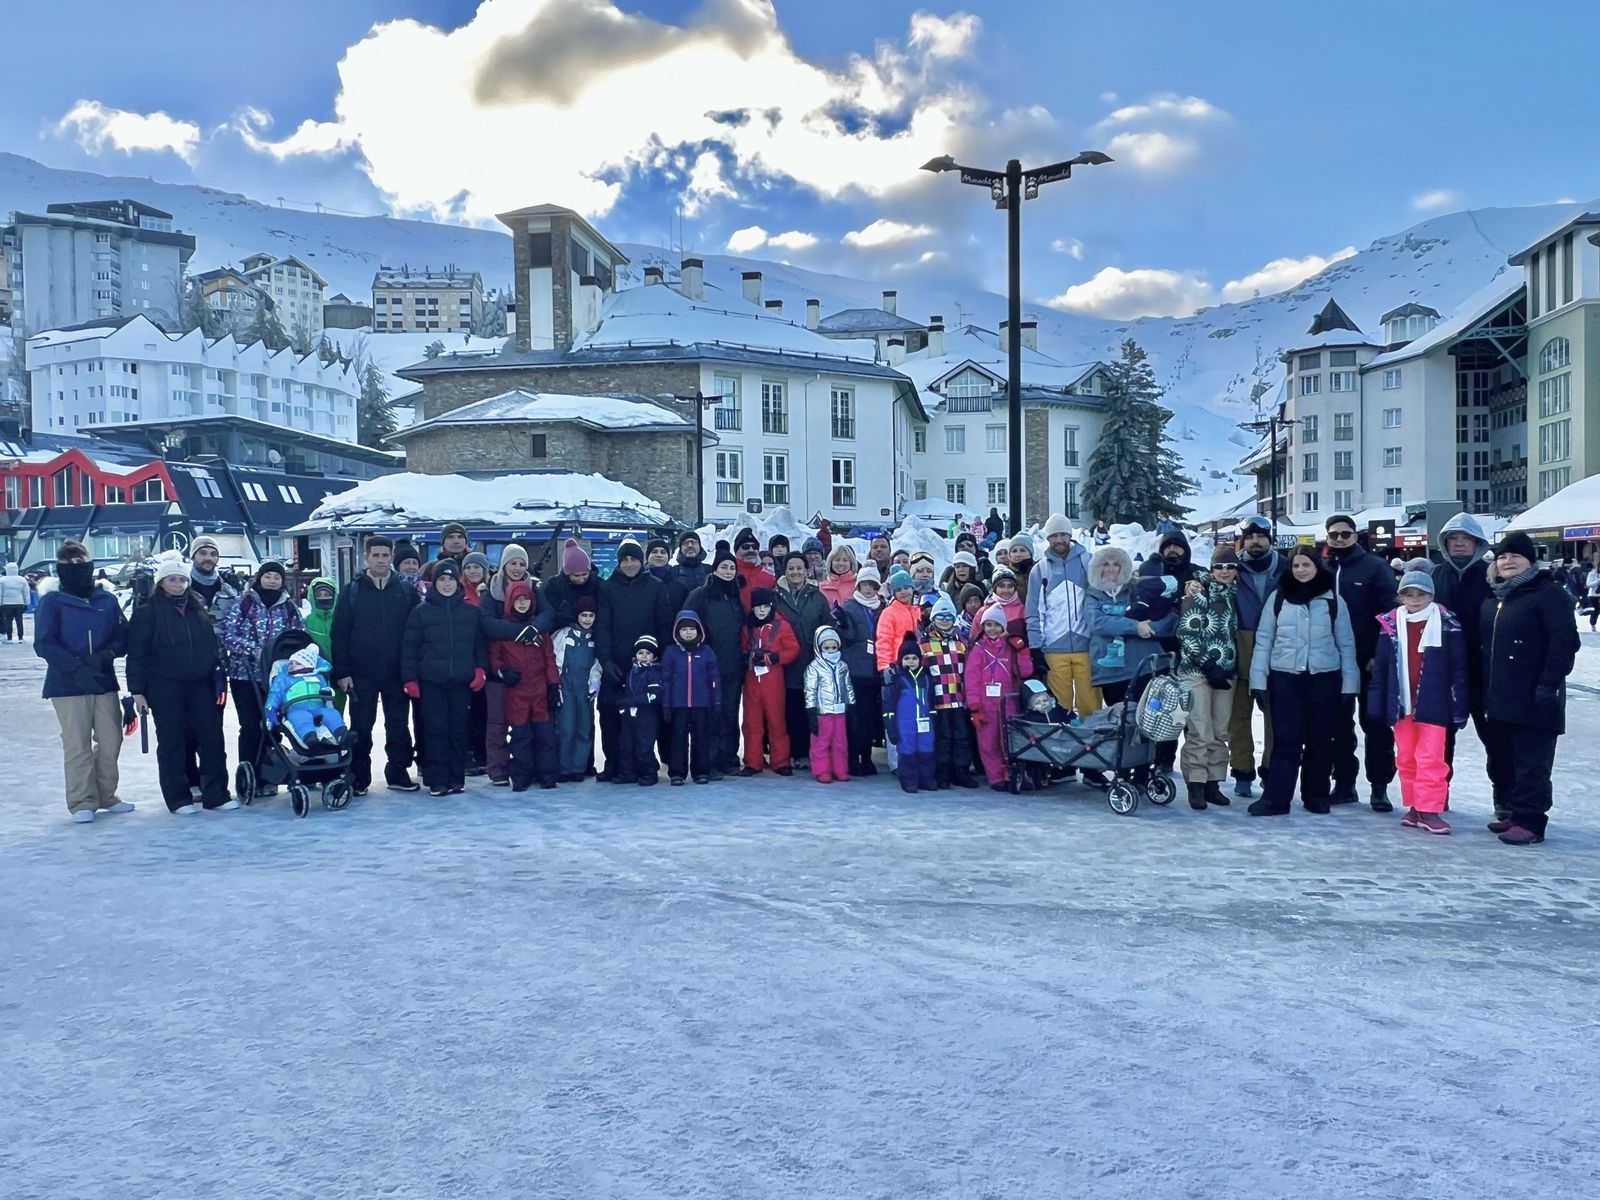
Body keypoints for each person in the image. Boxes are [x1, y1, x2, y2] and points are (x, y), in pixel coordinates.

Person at [1478, 531, 1580, 845]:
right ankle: (1512, 813)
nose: (1508, 562)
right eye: (1502, 557)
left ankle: (1531, 821)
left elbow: (1564, 643)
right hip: (1500, 696)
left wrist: (1548, 684)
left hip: (1536, 696)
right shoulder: (1497, 597)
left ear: (1530, 561)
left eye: (1515, 556)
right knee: (1504, 759)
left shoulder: (1547, 593)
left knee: (1531, 762)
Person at [1247, 546, 1358, 817]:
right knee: (1286, 740)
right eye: (1296, 566)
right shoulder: (1279, 598)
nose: (1301, 570)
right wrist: (1258, 681)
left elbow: (1346, 644)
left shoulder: (1333, 600)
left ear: (1317, 566)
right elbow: (1264, 640)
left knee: (1320, 740)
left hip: (1324, 678)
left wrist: (1349, 686)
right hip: (1285, 678)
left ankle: (1316, 796)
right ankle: (1276, 798)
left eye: (1306, 565)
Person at [125, 552, 231, 815]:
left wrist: (217, 674)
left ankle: (216, 793)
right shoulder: (148, 612)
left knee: (211, 738)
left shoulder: (197, 609)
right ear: (161, 582)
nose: (178, 584)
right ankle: (178, 797)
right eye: (172, 579)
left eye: (182, 580)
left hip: (201, 684)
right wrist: (137, 690)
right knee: (173, 741)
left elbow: (210, 645)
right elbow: (136, 653)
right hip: (164, 686)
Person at [35, 540, 133, 822]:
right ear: (60, 567)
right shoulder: (51, 601)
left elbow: (121, 634)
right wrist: (73, 665)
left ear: (90, 564)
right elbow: (44, 642)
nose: (76, 566)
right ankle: (81, 801)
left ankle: (106, 794)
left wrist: (106, 655)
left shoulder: (107, 600)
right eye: (69, 562)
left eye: (80, 561)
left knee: (111, 738)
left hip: (102, 678)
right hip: (67, 683)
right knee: (76, 743)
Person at [1367, 567, 1470, 834]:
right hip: (1402, 703)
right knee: (1406, 757)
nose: (1414, 599)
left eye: (1421, 594)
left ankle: (1430, 809)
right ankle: (1414, 805)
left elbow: (1459, 668)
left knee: (1431, 757)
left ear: (1431, 595)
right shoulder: (1390, 625)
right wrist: (1377, 703)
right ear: (1400, 597)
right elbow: (1382, 669)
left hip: (1435, 703)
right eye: (1408, 594)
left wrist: (1459, 705)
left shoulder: (1447, 624)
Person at [331, 535, 422, 796]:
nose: (381, 560)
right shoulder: (352, 590)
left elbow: (415, 632)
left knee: (398, 724)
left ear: (391, 557)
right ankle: (358, 776)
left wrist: (411, 669)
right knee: (361, 726)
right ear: (366, 557)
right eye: (376, 555)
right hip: (361, 672)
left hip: (396, 671)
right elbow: (340, 633)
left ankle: (398, 771)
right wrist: (343, 671)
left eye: (385, 555)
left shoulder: (405, 590)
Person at [1323, 513, 1398, 811]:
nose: (1339, 539)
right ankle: (1344, 783)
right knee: (1339, 725)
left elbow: (1389, 616)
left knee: (1375, 723)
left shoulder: (1375, 567)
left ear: (1356, 535)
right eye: (1334, 534)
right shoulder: (1323, 568)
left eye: (1345, 534)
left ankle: (1380, 787)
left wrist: (1378, 655)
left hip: (1368, 659)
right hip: (1333, 661)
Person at [400, 559, 486, 797]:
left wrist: (480, 669)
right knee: (435, 730)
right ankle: (437, 780)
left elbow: (479, 646)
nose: (446, 584)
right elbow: (410, 648)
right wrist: (410, 678)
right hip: (431, 682)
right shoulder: (421, 612)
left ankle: (456, 778)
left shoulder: (470, 612)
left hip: (461, 681)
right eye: (442, 580)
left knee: (458, 730)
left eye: (450, 579)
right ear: (434, 583)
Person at [218, 559, 304, 795]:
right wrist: (255, 650)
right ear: (260, 578)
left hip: (276, 677)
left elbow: (298, 634)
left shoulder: (288, 606)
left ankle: (269, 775)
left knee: (273, 725)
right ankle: (249, 775)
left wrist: (287, 656)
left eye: (277, 577)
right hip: (244, 675)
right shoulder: (244, 603)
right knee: (250, 726)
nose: (272, 581)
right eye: (268, 576)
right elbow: (228, 635)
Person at [1428, 514, 1496, 797]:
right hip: (1444, 672)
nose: (1458, 544)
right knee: (1440, 742)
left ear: (1476, 543)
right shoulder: (1435, 576)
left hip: (1484, 673)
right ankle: (1436, 796)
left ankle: (1504, 799)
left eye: (1465, 539)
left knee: (1495, 740)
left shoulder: (1491, 576)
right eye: (1453, 539)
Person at [595, 537, 672, 780]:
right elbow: (603, 626)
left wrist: (658, 660)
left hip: (647, 664)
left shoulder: (656, 586)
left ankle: (645, 764)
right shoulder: (607, 587)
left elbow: (664, 624)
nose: (629, 564)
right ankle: (614, 764)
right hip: (616, 663)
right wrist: (606, 660)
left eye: (633, 559)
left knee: (646, 718)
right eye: (624, 560)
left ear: (641, 561)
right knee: (610, 714)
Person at [477, 542, 552, 786]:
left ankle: (531, 768)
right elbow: (487, 623)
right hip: (501, 662)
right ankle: (498, 768)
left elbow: (548, 615)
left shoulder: (534, 587)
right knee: (498, 720)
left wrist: (533, 629)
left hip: (530, 669)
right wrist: (519, 632)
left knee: (531, 724)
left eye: (522, 563)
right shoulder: (492, 591)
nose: (518, 568)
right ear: (504, 564)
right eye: (513, 563)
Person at [1176, 546, 1240, 810]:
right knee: (1200, 730)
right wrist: (1207, 664)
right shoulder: (1199, 593)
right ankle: (1197, 783)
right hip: (1196, 672)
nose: (1224, 572)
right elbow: (1187, 633)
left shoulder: (1237, 594)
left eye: (1230, 567)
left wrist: (1227, 667)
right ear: (1211, 569)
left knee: (1220, 730)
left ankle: (1214, 781)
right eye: (1219, 567)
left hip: (1227, 671)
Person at [1229, 515, 1286, 798]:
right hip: (1239, 648)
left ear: (1270, 540)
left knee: (1275, 718)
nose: (1255, 541)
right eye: (1249, 537)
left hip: (1278, 651)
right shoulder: (1230, 568)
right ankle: (1242, 772)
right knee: (1238, 717)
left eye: (1260, 537)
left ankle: (1270, 773)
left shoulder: (1288, 568)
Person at [490, 580, 561, 792]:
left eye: (526, 599)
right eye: (518, 599)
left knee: (545, 736)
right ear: (510, 601)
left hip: (539, 689)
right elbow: (493, 658)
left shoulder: (540, 630)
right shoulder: (503, 631)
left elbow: (550, 658)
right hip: (517, 691)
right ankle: (521, 775)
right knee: (520, 737)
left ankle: (547, 774)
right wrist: (503, 671)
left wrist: (553, 686)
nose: (522, 603)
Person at [1026, 513, 1098, 719]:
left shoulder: (1088, 561)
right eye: (1054, 535)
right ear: (1048, 539)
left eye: (1063, 535)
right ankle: (1063, 747)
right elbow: (1033, 612)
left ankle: (1094, 746)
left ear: (1070, 535)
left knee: (1090, 706)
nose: (1059, 540)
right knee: (1060, 708)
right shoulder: (1040, 569)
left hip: (1086, 645)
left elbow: (1100, 599)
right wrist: (1035, 647)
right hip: (1054, 648)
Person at [687, 543, 748, 778]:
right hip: (706, 665)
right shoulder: (700, 595)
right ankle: (707, 761)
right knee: (709, 715)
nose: (728, 571)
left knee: (730, 713)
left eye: (731, 567)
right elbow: (687, 624)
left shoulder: (735, 596)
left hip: (733, 664)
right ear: (714, 570)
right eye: (723, 567)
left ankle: (728, 758)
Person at [966, 601, 1032, 790]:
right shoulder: (978, 649)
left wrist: (1022, 651)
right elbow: (971, 680)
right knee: (988, 743)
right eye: (988, 625)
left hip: (1007, 702)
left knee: (1009, 741)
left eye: (996, 625)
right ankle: (995, 777)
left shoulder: (1010, 647)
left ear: (1003, 626)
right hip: (986, 704)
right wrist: (974, 707)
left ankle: (1012, 774)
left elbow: (1025, 672)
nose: (992, 629)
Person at [775, 552, 830, 767]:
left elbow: (827, 626)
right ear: (785, 571)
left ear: (807, 570)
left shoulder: (817, 597)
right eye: (791, 568)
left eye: (799, 568)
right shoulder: (775, 596)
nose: (795, 572)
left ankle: (812, 751)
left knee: (812, 709)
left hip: (812, 660)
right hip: (786, 664)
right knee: (791, 709)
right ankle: (795, 752)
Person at [739, 586, 799, 776]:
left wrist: (775, 658)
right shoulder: (748, 628)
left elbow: (793, 649)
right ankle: (753, 761)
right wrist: (746, 656)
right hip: (751, 679)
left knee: (776, 720)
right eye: (758, 607)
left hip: (773, 679)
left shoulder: (782, 626)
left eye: (765, 606)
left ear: (771, 607)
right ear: (753, 608)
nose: (762, 610)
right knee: (751, 722)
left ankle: (780, 761)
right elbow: (742, 647)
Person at [920, 593, 978, 789]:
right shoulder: (925, 643)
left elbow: (970, 670)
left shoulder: (961, 642)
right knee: (942, 738)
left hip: (958, 699)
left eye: (948, 618)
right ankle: (942, 772)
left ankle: (960, 771)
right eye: (940, 617)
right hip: (938, 701)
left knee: (961, 737)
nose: (944, 621)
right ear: (933, 619)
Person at [834, 561, 884, 776]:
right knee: (852, 717)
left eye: (872, 585)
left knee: (868, 717)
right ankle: (853, 757)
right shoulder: (849, 606)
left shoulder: (881, 608)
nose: (868, 589)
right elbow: (845, 637)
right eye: (865, 584)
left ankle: (866, 756)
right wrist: (843, 625)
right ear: (858, 586)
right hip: (854, 669)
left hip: (873, 670)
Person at [661, 610, 719, 785]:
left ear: (698, 630)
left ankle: (701, 771)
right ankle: (677, 772)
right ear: (677, 632)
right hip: (678, 704)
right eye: (684, 629)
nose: (688, 632)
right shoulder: (671, 652)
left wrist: (716, 701)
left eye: (691, 629)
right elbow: (666, 679)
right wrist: (665, 704)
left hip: (701, 703)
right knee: (678, 738)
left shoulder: (707, 651)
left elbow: (714, 678)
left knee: (701, 737)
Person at [552, 596, 602, 782]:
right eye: (584, 615)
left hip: (584, 689)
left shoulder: (595, 638)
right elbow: (555, 660)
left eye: (591, 615)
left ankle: (578, 768)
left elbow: (597, 664)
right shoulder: (564, 635)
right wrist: (555, 684)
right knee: (566, 728)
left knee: (584, 728)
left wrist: (594, 682)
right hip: (566, 686)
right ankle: (563, 767)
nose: (587, 619)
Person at [264, 642, 346, 751]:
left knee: (332, 714)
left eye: (297, 663)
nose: (292, 665)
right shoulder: (283, 678)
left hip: (318, 707)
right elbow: (275, 694)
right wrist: (271, 711)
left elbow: (326, 690)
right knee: (301, 719)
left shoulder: (319, 678)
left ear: (308, 665)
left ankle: (341, 734)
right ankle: (310, 738)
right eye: (290, 663)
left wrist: (327, 692)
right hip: (296, 709)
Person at [882, 635, 935, 793]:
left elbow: (932, 700)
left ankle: (927, 779)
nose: (911, 661)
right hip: (905, 723)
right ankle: (909, 780)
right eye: (907, 658)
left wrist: (935, 718)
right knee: (907, 750)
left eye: (914, 658)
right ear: (901, 660)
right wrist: (890, 725)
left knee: (926, 749)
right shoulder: (896, 678)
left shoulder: (926, 678)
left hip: (925, 722)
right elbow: (888, 705)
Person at [803, 625, 855, 784]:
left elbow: (848, 686)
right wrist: (811, 710)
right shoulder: (814, 668)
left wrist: (851, 703)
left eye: (834, 647)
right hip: (822, 711)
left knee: (840, 741)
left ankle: (840, 769)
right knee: (821, 742)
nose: (831, 651)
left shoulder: (842, 666)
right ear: (820, 648)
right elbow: (810, 690)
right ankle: (822, 770)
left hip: (839, 710)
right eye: (826, 648)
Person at [616, 635, 664, 785]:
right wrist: (621, 703)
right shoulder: (631, 671)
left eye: (648, 653)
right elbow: (625, 690)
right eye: (640, 653)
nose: (644, 656)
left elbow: (654, 695)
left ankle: (649, 773)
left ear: (654, 656)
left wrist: (632, 701)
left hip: (646, 715)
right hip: (629, 715)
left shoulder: (654, 673)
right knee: (626, 745)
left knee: (644, 745)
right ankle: (628, 773)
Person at [545, 539, 602, 632]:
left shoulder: (598, 584)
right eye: (576, 575)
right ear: (568, 574)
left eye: (585, 574)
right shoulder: (554, 586)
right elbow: (549, 615)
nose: (581, 578)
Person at [186, 535, 240, 620]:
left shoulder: (229, 589)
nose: (208, 558)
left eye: (213, 554)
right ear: (193, 556)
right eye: (202, 553)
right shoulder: (182, 587)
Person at [733, 528, 776, 609]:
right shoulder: (729, 574)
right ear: (736, 551)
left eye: (754, 547)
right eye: (745, 546)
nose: (751, 550)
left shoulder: (768, 577)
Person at [668, 531, 709, 611]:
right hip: (682, 619)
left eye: (693, 542)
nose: (690, 545)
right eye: (685, 543)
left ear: (700, 546)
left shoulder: (710, 570)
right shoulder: (672, 572)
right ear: (680, 548)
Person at [818, 544, 858, 610]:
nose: (841, 563)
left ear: (851, 563)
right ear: (831, 562)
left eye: (845, 560)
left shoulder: (858, 586)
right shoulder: (821, 588)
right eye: (837, 560)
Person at [1, 562, 32, 642]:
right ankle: (20, 637)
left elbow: (0, 593)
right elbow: (26, 592)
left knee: (8, 621)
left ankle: (9, 638)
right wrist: (26, 603)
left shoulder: (2, 580)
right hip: (19, 603)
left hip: (6, 603)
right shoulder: (22, 580)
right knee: (19, 621)